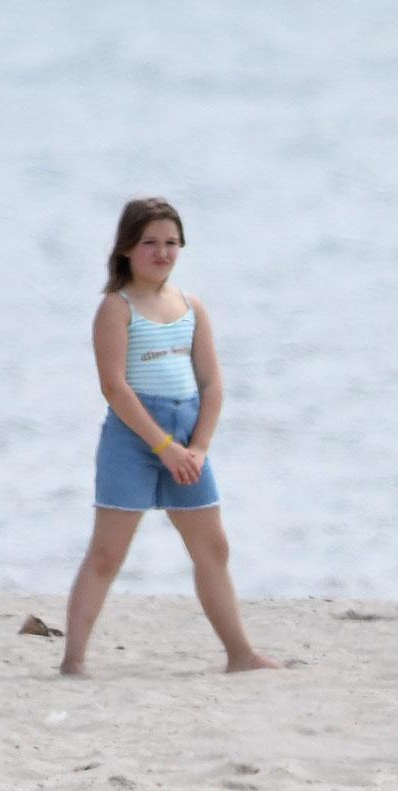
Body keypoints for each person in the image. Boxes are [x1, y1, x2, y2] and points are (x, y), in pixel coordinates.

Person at [60, 197, 279, 676]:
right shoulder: (116, 309)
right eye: (150, 243)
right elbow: (114, 387)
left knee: (213, 549)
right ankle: (73, 660)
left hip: (188, 436)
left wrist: (197, 447)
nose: (162, 253)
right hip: (135, 439)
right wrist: (164, 447)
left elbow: (212, 384)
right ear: (126, 250)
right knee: (107, 554)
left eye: (171, 243)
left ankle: (240, 654)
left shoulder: (191, 307)